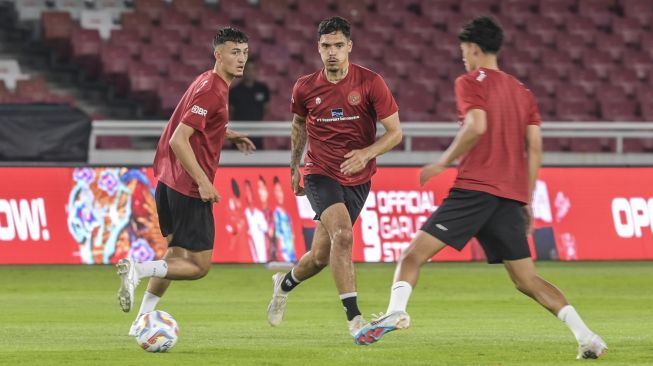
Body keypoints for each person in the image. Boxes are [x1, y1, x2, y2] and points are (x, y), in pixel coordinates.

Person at [352, 16, 608, 360]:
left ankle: (396, 310)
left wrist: (442, 162)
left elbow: (476, 125)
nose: (463, 58)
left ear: (473, 49)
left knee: (412, 256)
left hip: (474, 189)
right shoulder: (524, 93)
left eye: (463, 52)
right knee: (526, 280)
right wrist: (526, 198)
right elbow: (535, 148)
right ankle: (587, 336)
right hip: (509, 197)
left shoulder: (470, 82)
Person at [266, 16, 403, 340]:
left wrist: (366, 154)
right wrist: (294, 166)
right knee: (343, 235)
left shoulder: (370, 82)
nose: (332, 52)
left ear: (349, 47)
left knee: (319, 258)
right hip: (320, 172)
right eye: (326, 46)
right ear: (318, 48)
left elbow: (395, 133)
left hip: (358, 177)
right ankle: (355, 320)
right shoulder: (305, 86)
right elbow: (299, 125)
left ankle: (283, 284)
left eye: (338, 45)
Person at [115, 27, 256, 336]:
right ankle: (137, 269)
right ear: (218, 54)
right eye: (234, 52)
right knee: (198, 266)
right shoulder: (212, 89)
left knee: (175, 256)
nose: (241, 58)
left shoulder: (206, 80)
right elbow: (181, 139)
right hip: (187, 185)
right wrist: (203, 182)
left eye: (244, 52)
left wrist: (227, 134)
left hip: (167, 180)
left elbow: (195, 124)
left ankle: (141, 319)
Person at [229, 60, 270, 149]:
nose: (250, 72)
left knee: (258, 160)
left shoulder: (263, 89)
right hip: (239, 133)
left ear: (256, 71)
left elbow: (266, 109)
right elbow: (231, 111)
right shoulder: (234, 91)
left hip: (257, 133)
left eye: (253, 69)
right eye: (247, 69)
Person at [243, 178, 269, 263]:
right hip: (249, 250)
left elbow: (266, 229)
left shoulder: (259, 214)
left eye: (249, 191)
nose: (248, 194)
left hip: (261, 249)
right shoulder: (244, 213)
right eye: (246, 191)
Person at [272, 175, 296, 263]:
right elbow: (278, 232)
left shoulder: (287, 214)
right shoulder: (276, 213)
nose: (279, 194)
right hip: (283, 247)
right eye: (276, 191)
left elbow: (291, 232)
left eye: (280, 191)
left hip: (290, 246)